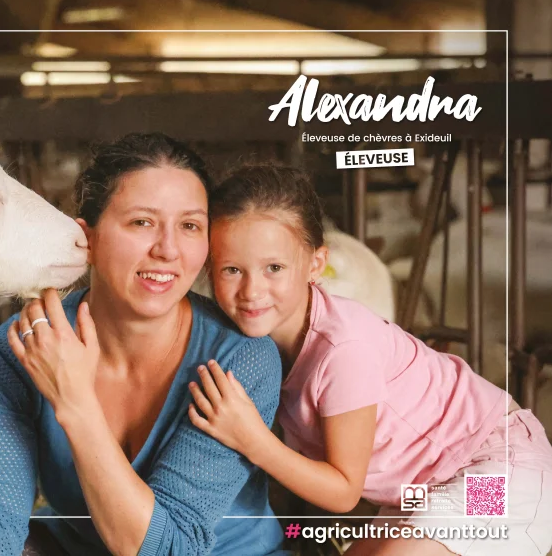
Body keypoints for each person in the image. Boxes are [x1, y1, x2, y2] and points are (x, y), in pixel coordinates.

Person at [0, 134, 290, 556]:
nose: (168, 250)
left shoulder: (240, 358)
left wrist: (76, 402)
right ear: (87, 238)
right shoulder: (15, 354)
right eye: (142, 222)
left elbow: (169, 549)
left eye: (191, 226)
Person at [188, 163, 552, 556]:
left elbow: (343, 491)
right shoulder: (251, 341)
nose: (251, 290)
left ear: (314, 264)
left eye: (274, 268)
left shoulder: (343, 350)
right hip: (421, 490)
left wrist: (252, 439)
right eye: (231, 270)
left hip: (498, 471)